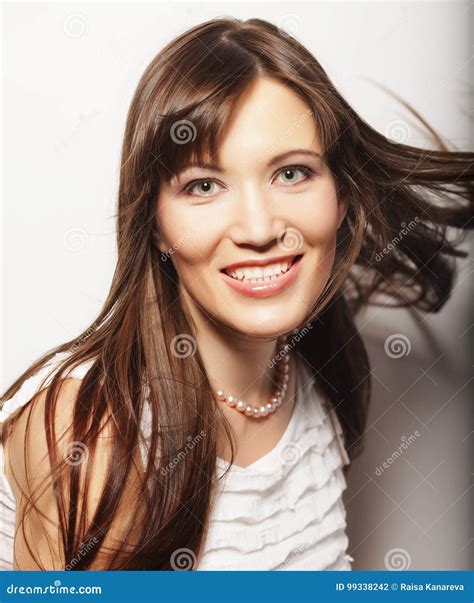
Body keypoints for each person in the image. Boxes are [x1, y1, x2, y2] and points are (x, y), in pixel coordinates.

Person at [1, 17, 472, 571]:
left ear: (340, 196)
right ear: (154, 223)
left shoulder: (318, 369)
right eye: (204, 186)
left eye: (292, 174)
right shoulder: (101, 434)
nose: (257, 227)